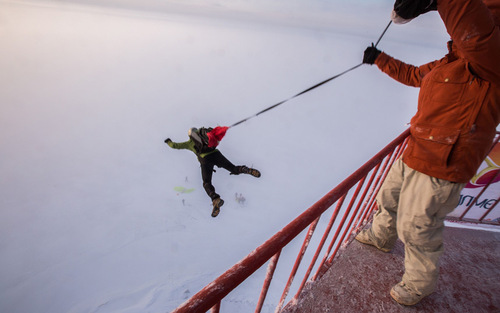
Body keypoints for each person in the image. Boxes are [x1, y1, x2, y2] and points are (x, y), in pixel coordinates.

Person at [356, 0, 500, 306]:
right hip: (418, 148)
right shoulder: (452, 62)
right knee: (390, 198)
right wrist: (380, 59)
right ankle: (381, 237)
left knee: (417, 225)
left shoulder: (491, 60)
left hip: (445, 160)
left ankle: (419, 283)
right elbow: (413, 75)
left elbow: (476, 31)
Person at [165, 127, 261, 217]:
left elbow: (175, 146)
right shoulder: (205, 134)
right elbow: (215, 134)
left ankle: (215, 199)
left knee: (206, 183)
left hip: (205, 160)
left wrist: (168, 142)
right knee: (233, 168)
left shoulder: (189, 143)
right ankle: (246, 169)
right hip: (216, 154)